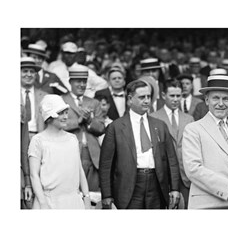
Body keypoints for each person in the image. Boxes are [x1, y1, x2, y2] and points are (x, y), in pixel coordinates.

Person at [99, 80, 181, 209]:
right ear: (130, 99)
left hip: (157, 185)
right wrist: (107, 195)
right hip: (129, 185)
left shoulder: (159, 126)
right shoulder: (115, 127)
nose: (147, 101)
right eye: (142, 97)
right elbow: (106, 165)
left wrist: (175, 188)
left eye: (148, 97)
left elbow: (172, 159)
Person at [182, 74, 228, 209]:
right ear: (206, 100)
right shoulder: (193, 130)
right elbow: (193, 169)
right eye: (216, 98)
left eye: (225, 99)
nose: (221, 103)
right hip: (207, 205)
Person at [29, 95, 91, 209]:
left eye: (66, 112)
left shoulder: (72, 139)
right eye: (61, 113)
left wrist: (87, 197)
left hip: (74, 201)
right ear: (49, 116)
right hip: (49, 202)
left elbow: (79, 169)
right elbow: (34, 175)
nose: (65, 117)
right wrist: (43, 203)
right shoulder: (38, 140)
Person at [150, 79, 194, 208]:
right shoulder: (153, 118)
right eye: (172, 96)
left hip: (186, 176)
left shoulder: (189, 119)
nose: (176, 99)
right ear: (163, 95)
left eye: (178, 96)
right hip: (164, 175)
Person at [62, 65, 105, 192]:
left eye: (84, 81)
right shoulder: (61, 100)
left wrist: (90, 120)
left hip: (92, 154)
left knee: (92, 194)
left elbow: (101, 128)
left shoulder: (94, 102)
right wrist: (79, 121)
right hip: (70, 151)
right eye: (78, 81)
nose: (82, 85)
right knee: (71, 192)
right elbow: (57, 125)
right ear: (70, 82)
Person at [21, 57, 48, 139]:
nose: (29, 75)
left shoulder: (44, 96)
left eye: (32, 72)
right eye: (25, 71)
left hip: (38, 137)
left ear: (35, 75)